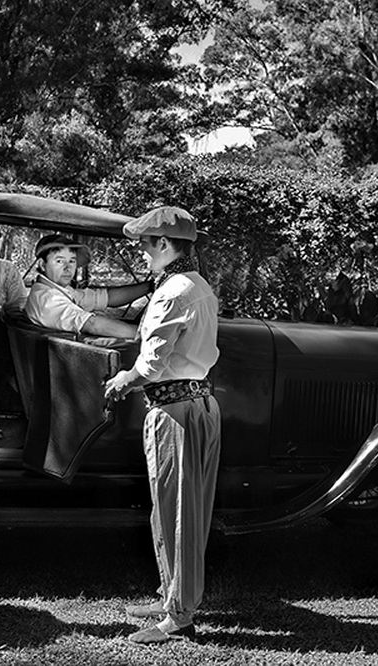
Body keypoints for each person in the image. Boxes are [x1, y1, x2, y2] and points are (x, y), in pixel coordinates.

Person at [102, 206, 221, 644]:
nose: (143, 255)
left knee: (178, 514)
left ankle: (179, 615)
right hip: (195, 406)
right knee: (172, 509)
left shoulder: (174, 291)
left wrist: (121, 380)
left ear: (166, 246)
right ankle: (170, 594)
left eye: (147, 246)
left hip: (177, 413)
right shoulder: (198, 286)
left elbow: (151, 364)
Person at [24, 233, 152, 338]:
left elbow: (105, 298)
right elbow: (92, 324)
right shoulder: (48, 298)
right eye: (59, 261)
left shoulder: (59, 290)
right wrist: (150, 334)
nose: (68, 268)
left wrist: (150, 286)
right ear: (42, 265)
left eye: (72, 261)